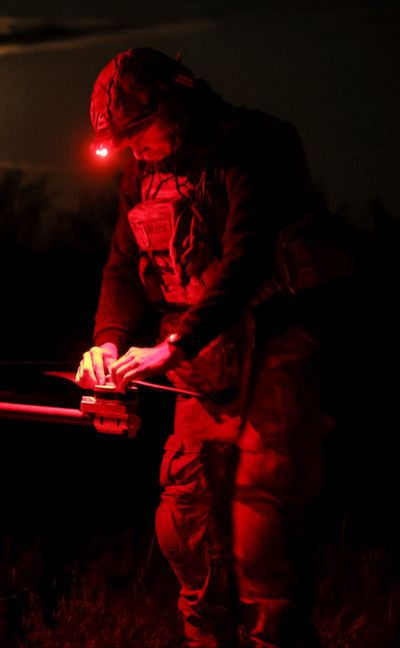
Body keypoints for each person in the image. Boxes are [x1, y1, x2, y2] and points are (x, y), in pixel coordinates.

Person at [74, 48, 356, 647]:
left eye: (137, 132)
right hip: (201, 359)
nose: (132, 148)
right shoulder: (143, 173)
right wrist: (107, 342)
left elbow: (247, 259)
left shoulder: (255, 144)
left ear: (173, 103)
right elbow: (123, 267)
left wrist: (173, 345)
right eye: (122, 140)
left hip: (278, 345)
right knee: (186, 522)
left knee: (263, 526)